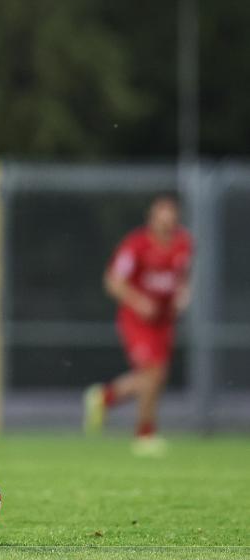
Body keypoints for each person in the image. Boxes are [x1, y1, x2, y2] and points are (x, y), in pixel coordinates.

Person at [84, 195, 192, 456]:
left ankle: (104, 398)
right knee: (152, 374)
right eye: (161, 221)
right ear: (152, 220)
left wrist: (184, 295)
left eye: (171, 222)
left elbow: (183, 279)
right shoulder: (136, 245)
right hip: (137, 320)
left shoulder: (183, 244)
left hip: (164, 322)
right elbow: (113, 280)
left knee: (155, 378)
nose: (166, 227)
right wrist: (139, 301)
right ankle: (145, 434)